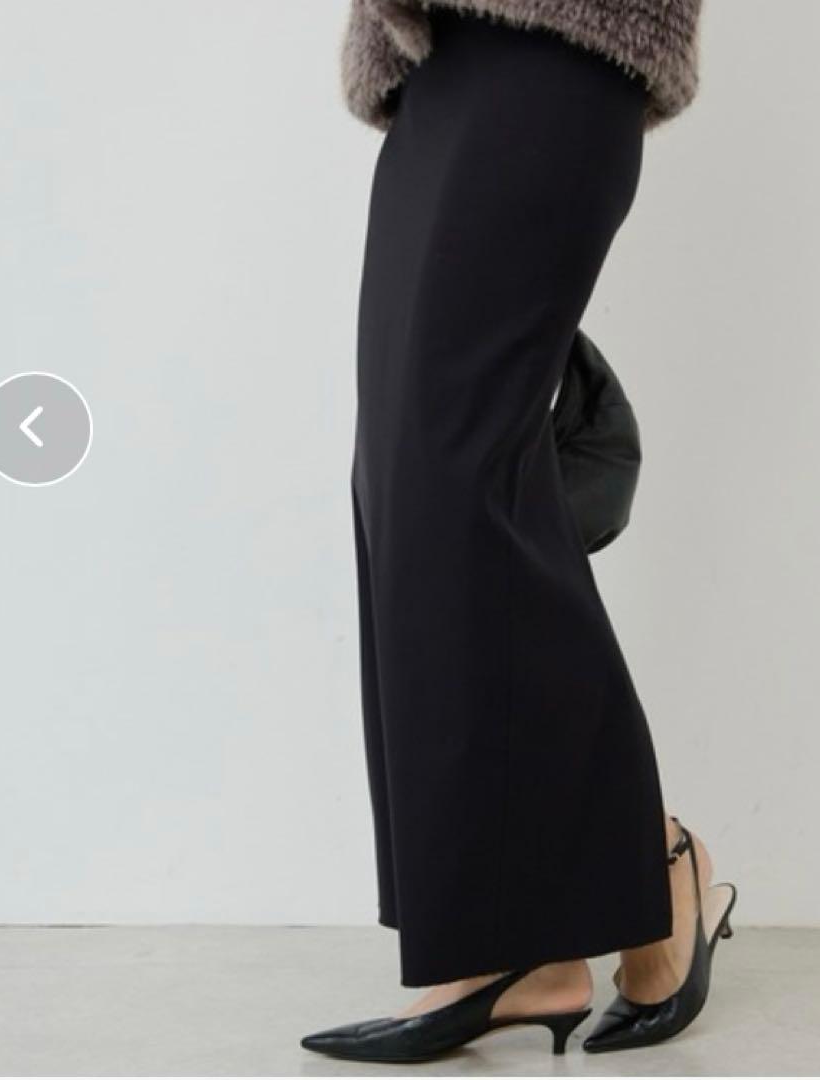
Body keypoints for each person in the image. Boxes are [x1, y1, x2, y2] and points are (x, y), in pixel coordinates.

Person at [301, 0, 737, 1062]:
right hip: (434, 63)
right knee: (409, 476)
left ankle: (578, 908)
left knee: (456, 474)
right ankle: (578, 913)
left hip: (559, 40)